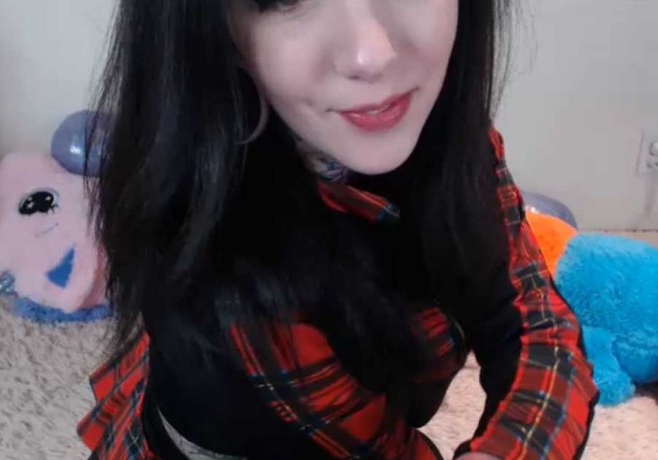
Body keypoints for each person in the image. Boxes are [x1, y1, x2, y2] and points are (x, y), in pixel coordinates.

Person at [77, 0, 599, 459]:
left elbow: (534, 321)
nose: (372, 54)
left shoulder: (450, 133)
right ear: (213, 27)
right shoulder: (237, 298)